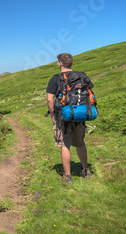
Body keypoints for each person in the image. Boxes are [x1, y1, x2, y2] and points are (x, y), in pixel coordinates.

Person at [46, 53, 93, 184]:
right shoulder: (83, 76)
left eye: (57, 62)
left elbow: (50, 100)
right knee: (80, 143)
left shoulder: (56, 78)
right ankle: (85, 170)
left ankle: (68, 176)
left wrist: (53, 115)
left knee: (65, 144)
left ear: (60, 63)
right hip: (81, 115)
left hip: (64, 116)